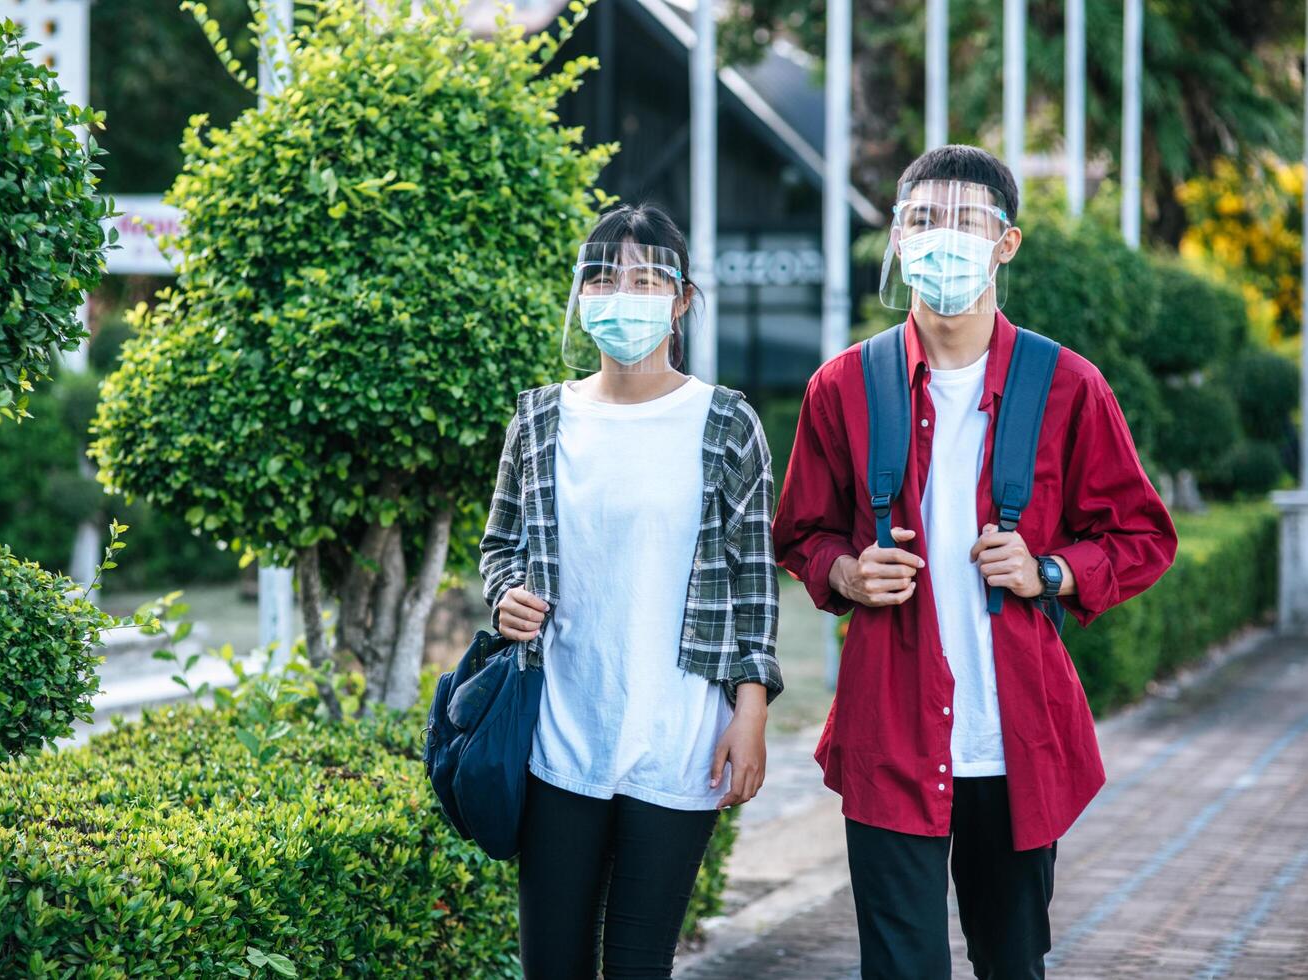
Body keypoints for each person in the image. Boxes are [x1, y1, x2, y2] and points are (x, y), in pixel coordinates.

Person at [772, 145, 1178, 979]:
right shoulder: (842, 385)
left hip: (1015, 738)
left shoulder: (1068, 384)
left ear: (1006, 242)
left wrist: (1049, 572)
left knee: (1010, 963)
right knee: (898, 967)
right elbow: (800, 533)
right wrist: (845, 574)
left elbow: (1142, 535)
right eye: (922, 220)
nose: (940, 238)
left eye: (965, 221)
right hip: (888, 728)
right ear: (895, 236)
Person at [478, 203, 783, 979]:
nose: (624, 293)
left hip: (677, 735)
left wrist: (749, 713)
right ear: (581, 296)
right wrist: (505, 594)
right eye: (605, 277)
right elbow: (500, 547)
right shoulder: (541, 419)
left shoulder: (723, 422)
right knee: (553, 965)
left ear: (680, 300)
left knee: (641, 966)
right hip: (559, 736)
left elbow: (754, 579)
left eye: (646, 278)